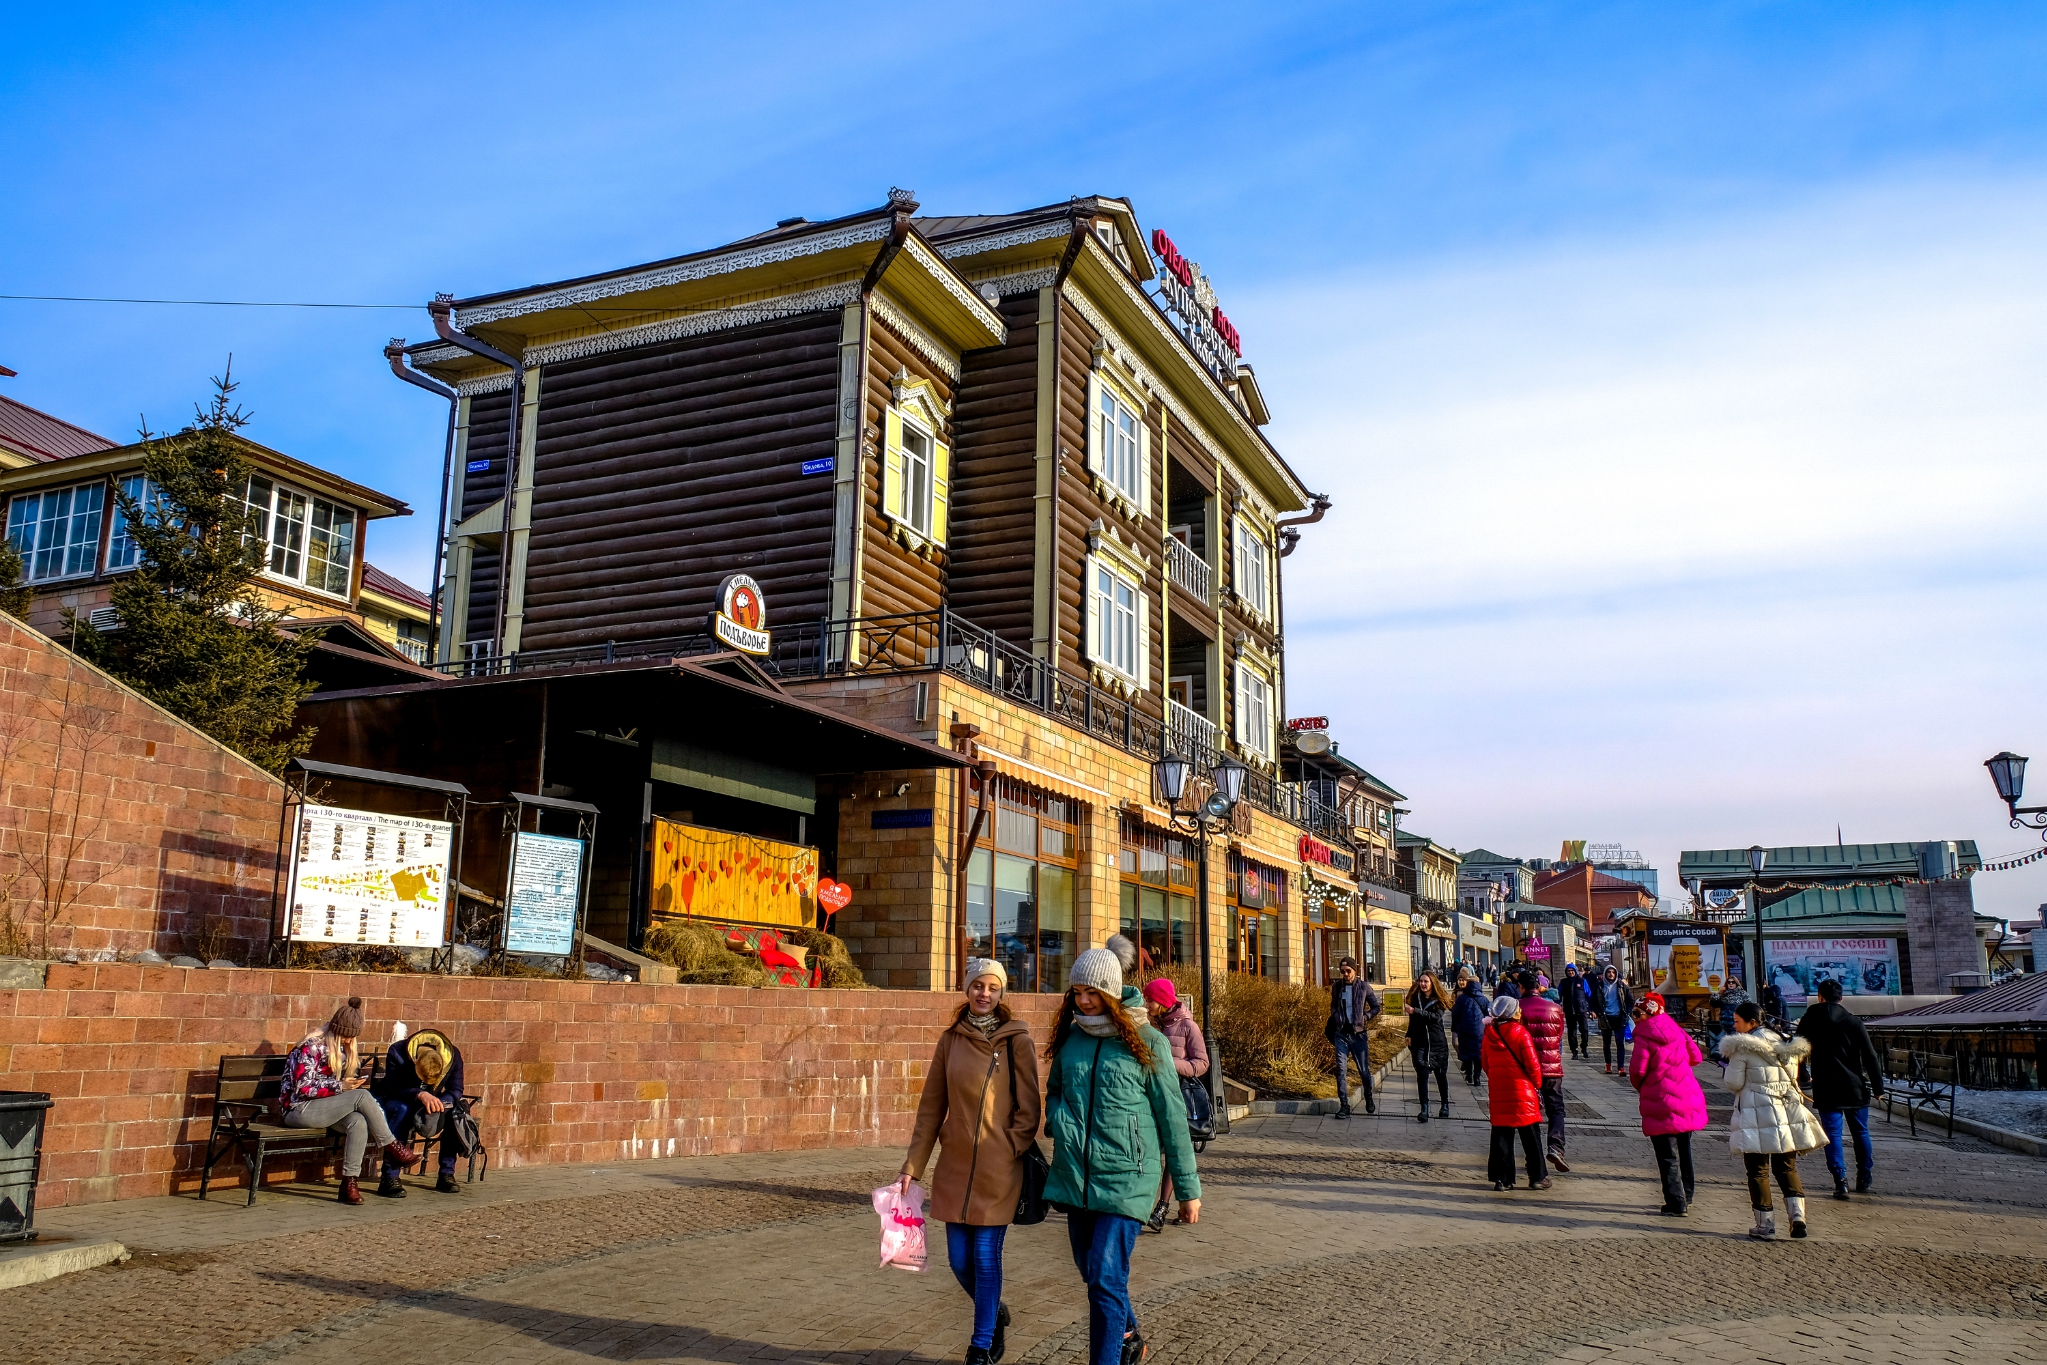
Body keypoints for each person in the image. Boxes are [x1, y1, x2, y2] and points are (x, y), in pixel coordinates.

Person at [1044, 946, 1200, 1365]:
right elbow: (1056, 1089)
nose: (1083, 1001)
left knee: (1106, 1276)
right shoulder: (1073, 1038)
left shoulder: (1148, 1041)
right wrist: (1058, 1117)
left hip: (1130, 1177)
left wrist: (1187, 1190)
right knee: (1094, 1274)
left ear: (1111, 991)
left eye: (1091, 992)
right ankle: (1128, 1332)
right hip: (1077, 1176)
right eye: (1076, 992)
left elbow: (1172, 1119)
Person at [902, 958, 1043, 1365]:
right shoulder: (951, 1040)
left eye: (993, 988)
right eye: (978, 986)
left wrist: (1010, 1147)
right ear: (967, 990)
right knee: (959, 1260)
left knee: (984, 1257)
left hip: (999, 1169)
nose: (984, 994)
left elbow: (1030, 1108)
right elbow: (931, 1108)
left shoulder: (1016, 1039)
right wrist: (912, 1166)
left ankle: (981, 1345)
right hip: (955, 1168)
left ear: (1002, 994)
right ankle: (994, 1309)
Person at [278, 997, 416, 1205]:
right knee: (361, 1096)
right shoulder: (310, 1047)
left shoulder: (344, 1051)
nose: (349, 1042)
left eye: (352, 1038)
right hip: (298, 1109)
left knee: (357, 1121)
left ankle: (349, 1182)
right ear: (337, 1031)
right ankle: (391, 1146)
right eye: (346, 1037)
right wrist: (341, 1086)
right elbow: (302, 1087)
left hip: (324, 1108)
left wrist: (346, 1082)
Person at [1721, 1000, 1824, 1239]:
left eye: (1738, 1022)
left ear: (1752, 1023)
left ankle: (1765, 1224)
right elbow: (1794, 1077)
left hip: (1755, 1113)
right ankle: (1798, 1217)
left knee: (1758, 1170)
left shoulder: (1743, 1047)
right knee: (1787, 1167)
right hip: (1785, 1112)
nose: (1735, 1026)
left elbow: (1733, 1083)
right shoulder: (1786, 1043)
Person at [1793, 978, 1884, 1199]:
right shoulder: (1853, 1022)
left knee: (1832, 1133)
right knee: (1860, 1132)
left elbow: (1796, 1049)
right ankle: (1864, 1175)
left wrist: (1802, 1075)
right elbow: (1870, 1057)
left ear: (1820, 997)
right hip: (1854, 1085)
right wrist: (1878, 1086)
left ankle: (1839, 1180)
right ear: (1841, 998)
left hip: (1826, 1085)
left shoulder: (1809, 1019)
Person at [1628, 992, 1707, 1216]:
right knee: (1684, 1150)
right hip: (1686, 1096)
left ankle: (1676, 1202)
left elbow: (1637, 1071)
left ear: (1650, 1013)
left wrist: (1644, 1087)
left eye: (1638, 1013)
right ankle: (1688, 1195)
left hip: (1661, 1099)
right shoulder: (1676, 1028)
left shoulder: (1644, 1036)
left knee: (1667, 1155)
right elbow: (1696, 1057)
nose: (1634, 1018)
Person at [372, 1025, 468, 1196]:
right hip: (399, 1098)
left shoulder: (453, 1056)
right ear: (415, 1061)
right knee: (403, 1110)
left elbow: (456, 1089)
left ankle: (447, 1174)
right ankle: (389, 1177)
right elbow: (392, 1087)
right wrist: (419, 1094)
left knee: (454, 1113)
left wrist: (441, 1102)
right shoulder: (398, 1052)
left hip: (434, 1101)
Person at [1143, 976, 1207, 1230]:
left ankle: (1162, 1206)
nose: (1147, 1003)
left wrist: (1171, 1064)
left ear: (1162, 1001)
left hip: (1176, 1095)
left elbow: (1202, 1063)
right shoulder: (1149, 1025)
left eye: (1150, 999)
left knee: (1173, 1150)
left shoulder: (1188, 1026)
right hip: (1148, 1095)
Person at [1480, 996, 1547, 1190]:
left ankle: (1502, 1179)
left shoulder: (1489, 1034)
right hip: (1522, 1093)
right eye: (1517, 1009)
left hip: (1500, 1092)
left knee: (1501, 1137)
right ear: (1512, 1012)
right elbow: (1533, 1065)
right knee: (1531, 1138)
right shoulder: (1520, 1032)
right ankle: (1537, 1177)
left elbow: (1485, 1064)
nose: (1520, 1011)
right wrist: (1537, 1084)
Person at [1516, 970, 1569, 1173]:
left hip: (1526, 1068)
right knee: (1556, 1108)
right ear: (1539, 987)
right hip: (1551, 1067)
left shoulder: (1518, 1008)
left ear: (1521, 987)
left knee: (1531, 1112)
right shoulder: (1555, 1008)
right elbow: (1558, 1036)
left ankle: (1534, 1158)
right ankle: (1556, 1147)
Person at [1324, 957, 1382, 1117]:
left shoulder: (1364, 987)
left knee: (1364, 1071)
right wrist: (1335, 1016)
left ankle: (1369, 1097)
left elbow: (1376, 1007)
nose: (1345, 974)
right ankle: (1344, 1105)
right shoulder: (1337, 987)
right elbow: (1333, 1004)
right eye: (1342, 971)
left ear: (1355, 970)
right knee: (1341, 1069)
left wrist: (1366, 1017)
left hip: (1358, 1034)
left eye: (1348, 971)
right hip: (1341, 1033)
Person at [1404, 972, 1453, 1121]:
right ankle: (1424, 1109)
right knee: (1422, 1075)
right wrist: (1408, 1034)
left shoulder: (1439, 1001)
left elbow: (1435, 1018)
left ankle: (1445, 1104)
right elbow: (1413, 1020)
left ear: (1433, 983)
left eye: (1426, 981)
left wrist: (1415, 1011)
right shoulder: (1415, 998)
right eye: (1421, 981)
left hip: (1437, 1043)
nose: (1423, 984)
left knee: (1440, 1076)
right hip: (1420, 1042)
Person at [1594, 965, 1634, 1073]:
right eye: (1608, 972)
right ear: (1605, 974)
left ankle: (1621, 1067)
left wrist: (1627, 1012)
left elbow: (1630, 1001)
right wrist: (1597, 1012)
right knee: (1606, 1043)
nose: (1611, 974)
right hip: (1605, 1017)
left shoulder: (1621, 986)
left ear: (1616, 974)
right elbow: (1593, 1001)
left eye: (1613, 972)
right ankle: (1608, 1064)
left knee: (1620, 1043)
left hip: (1619, 1017)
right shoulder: (1599, 986)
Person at [1451, 976, 1489, 1087]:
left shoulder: (1462, 998)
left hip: (1464, 1029)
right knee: (1478, 1054)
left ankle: (1469, 1075)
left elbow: (1455, 1014)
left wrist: (1455, 1028)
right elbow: (1488, 1014)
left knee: (1467, 1052)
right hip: (1479, 1030)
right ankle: (1477, 1078)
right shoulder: (1484, 998)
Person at [1560, 964, 1593, 1059]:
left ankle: (1584, 1047)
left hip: (1581, 1009)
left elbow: (1589, 995)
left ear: (1575, 971)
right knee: (1571, 1032)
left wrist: (1591, 1009)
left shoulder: (1582, 981)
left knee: (1584, 1030)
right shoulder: (1564, 982)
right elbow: (1559, 995)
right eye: (1568, 971)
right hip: (1569, 1010)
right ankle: (1574, 1051)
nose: (1570, 972)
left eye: (1572, 970)